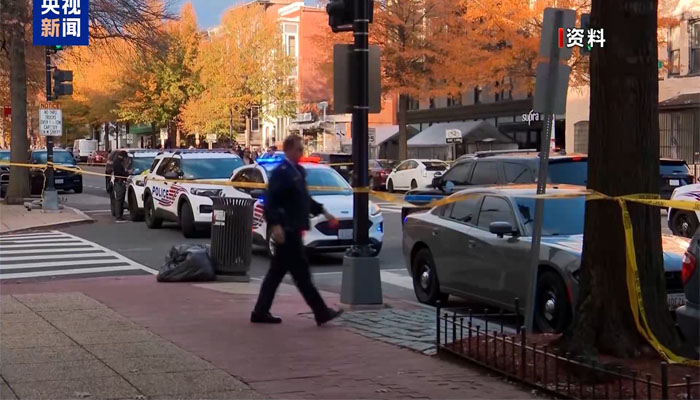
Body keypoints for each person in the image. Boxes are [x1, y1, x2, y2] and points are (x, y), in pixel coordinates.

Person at [251, 135, 343, 325]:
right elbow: (271, 200)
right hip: (287, 230)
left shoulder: (298, 171)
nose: (301, 152)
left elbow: (305, 199)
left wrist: (325, 213)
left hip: (294, 230)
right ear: (288, 150)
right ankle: (321, 312)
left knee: (277, 274)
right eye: (298, 149)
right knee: (301, 276)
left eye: (302, 149)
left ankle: (260, 311)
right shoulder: (282, 172)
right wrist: (275, 224)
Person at [112, 150, 131, 222]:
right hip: (119, 182)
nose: (125, 159)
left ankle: (120, 215)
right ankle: (119, 216)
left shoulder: (117, 161)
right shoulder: (117, 162)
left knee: (120, 199)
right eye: (125, 157)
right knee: (119, 200)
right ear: (122, 156)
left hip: (119, 182)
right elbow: (119, 172)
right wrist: (127, 173)